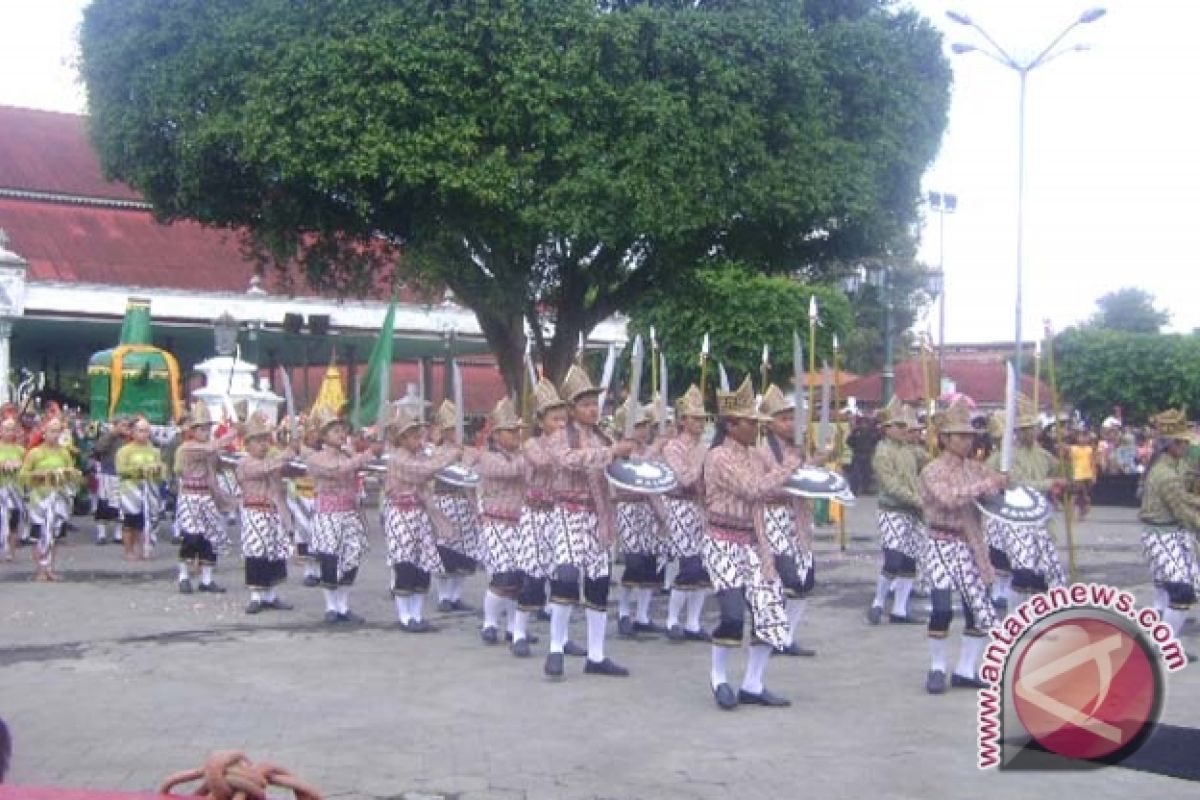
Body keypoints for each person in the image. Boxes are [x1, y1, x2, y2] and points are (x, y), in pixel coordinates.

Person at [703, 376, 799, 710]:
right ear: (731, 425)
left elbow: (776, 483)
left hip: (753, 540)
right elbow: (754, 488)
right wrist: (788, 469)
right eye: (749, 422)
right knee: (731, 614)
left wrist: (806, 470)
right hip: (722, 539)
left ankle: (753, 684)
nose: (755, 428)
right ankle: (719, 678)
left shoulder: (755, 454)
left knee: (769, 610)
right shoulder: (718, 457)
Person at [543, 364, 637, 679]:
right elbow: (568, 462)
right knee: (567, 578)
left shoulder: (603, 435)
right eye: (584, 404)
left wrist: (625, 459)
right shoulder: (559, 436)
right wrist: (610, 452)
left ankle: (596, 655)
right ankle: (556, 646)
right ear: (571, 408)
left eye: (593, 403)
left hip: (599, 516)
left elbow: (616, 471)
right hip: (569, 512)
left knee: (598, 584)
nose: (591, 409)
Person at [918, 395, 1008, 695]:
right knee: (941, 609)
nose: (967, 441)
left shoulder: (976, 468)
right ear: (944, 438)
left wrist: (1003, 484)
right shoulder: (932, 470)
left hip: (971, 543)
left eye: (970, 436)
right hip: (941, 541)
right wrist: (987, 484)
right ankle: (937, 666)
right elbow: (949, 498)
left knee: (977, 609)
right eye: (960, 436)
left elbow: (994, 496)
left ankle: (966, 669)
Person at [983, 395, 1066, 606]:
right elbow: (1016, 485)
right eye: (1024, 428)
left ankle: (1039, 617)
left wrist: (1066, 479)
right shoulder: (1004, 458)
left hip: (1042, 520)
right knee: (1021, 573)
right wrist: (1049, 483)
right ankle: (1014, 617)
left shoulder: (1046, 456)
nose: (1029, 432)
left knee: (1044, 574)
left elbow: (1060, 476)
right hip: (1016, 521)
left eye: (1032, 427)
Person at [382, 404, 458, 632]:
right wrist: (451, 455)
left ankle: (417, 614)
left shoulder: (421, 454)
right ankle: (405, 616)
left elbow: (431, 461)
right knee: (405, 564)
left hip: (420, 516)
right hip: (401, 515)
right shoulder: (398, 459)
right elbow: (422, 471)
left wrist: (453, 450)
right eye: (413, 436)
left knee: (423, 566)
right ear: (401, 438)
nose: (419, 439)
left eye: (419, 435)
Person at [757, 383, 819, 655]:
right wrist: (793, 468)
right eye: (784, 419)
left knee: (805, 580)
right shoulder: (760, 450)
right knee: (784, 578)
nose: (790, 423)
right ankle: (772, 631)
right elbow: (765, 485)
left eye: (793, 417)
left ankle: (788, 636)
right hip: (772, 515)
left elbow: (802, 478)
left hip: (797, 517)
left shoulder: (797, 448)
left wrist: (816, 462)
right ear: (769, 424)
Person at [303, 408, 381, 624]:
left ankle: (343, 605)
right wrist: (365, 456)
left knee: (352, 555)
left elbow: (365, 467)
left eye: (342, 430)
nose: (340, 434)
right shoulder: (316, 458)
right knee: (330, 557)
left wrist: (373, 454)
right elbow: (337, 470)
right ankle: (330, 605)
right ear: (324, 435)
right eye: (335, 430)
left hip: (349, 511)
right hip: (328, 513)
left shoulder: (349, 454)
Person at [511, 378, 570, 658]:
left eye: (563, 418)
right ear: (540, 420)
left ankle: (563, 637)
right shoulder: (532, 445)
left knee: (564, 578)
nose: (560, 423)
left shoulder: (569, 443)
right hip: (536, 515)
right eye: (555, 418)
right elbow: (547, 463)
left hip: (560, 515)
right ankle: (518, 631)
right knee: (533, 576)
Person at [1138, 408, 1199, 661]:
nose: (1186, 446)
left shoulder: (1169, 466)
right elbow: (1184, 511)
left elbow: (1186, 494)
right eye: (1183, 442)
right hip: (1164, 535)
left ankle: (1156, 638)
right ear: (1172, 444)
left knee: (1165, 591)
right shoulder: (1165, 474)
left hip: (1162, 534)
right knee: (1181, 591)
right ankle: (1165, 645)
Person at [867, 397, 927, 625]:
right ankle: (878, 602)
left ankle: (900, 610)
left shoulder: (910, 450)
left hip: (912, 511)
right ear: (886, 429)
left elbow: (928, 464)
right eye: (899, 426)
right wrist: (916, 499)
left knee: (909, 561)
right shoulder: (882, 453)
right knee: (893, 560)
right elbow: (891, 486)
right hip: (892, 510)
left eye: (905, 426)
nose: (904, 429)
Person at [661, 384, 713, 642]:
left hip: (701, 508)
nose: (700, 423)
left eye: (702, 419)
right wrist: (703, 464)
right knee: (687, 565)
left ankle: (693, 622)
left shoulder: (705, 448)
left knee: (703, 567)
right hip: (680, 506)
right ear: (683, 421)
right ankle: (672, 619)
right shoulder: (672, 447)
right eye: (695, 418)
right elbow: (684, 478)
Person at [474, 397, 529, 644]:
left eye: (518, 430)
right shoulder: (487, 457)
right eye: (510, 431)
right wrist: (533, 457)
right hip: (495, 523)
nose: (516, 435)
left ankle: (513, 628)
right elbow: (508, 471)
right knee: (503, 576)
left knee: (519, 578)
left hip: (519, 522)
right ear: (496, 435)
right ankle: (489, 623)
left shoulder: (522, 454)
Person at [613, 402, 668, 639]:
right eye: (638, 426)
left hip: (646, 508)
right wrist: (656, 448)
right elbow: (637, 466)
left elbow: (653, 483)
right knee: (633, 563)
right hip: (626, 507)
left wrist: (661, 515)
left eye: (645, 425)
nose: (643, 430)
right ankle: (624, 611)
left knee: (649, 563)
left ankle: (643, 615)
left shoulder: (649, 450)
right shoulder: (620, 450)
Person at [236, 415, 298, 614]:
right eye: (257, 441)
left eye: (265, 441)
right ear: (248, 445)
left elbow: (284, 470)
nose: (263, 445)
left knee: (274, 552)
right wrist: (286, 454)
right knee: (256, 552)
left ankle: (270, 595)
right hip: (254, 512)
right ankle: (255, 596)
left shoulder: (272, 461)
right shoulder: (245, 463)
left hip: (272, 512)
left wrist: (294, 455)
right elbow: (262, 469)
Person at [173, 403, 236, 593]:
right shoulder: (188, 448)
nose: (206, 432)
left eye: (208, 428)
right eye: (201, 428)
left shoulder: (210, 448)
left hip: (207, 496)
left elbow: (218, 464)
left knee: (210, 538)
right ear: (193, 430)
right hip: (190, 496)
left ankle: (206, 580)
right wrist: (233, 432)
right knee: (191, 537)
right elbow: (212, 448)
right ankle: (183, 575)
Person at [430, 400, 482, 613]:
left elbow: (474, 479)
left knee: (465, 550)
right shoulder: (436, 452)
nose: (455, 433)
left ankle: (456, 595)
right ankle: (443, 596)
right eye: (451, 429)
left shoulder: (469, 451)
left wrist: (476, 506)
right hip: (443, 501)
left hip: (464, 503)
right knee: (445, 549)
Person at [19, 415, 80, 582]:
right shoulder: (35, 453)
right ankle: (40, 568)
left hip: (58, 498)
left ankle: (50, 567)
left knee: (54, 534)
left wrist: (68, 475)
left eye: (58, 431)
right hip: (39, 499)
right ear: (44, 433)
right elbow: (23, 475)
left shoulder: (64, 453)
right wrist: (40, 475)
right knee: (39, 535)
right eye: (52, 431)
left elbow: (71, 473)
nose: (55, 434)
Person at [116, 417, 167, 562]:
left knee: (145, 522)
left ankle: (144, 549)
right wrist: (140, 470)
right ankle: (129, 550)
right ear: (132, 432)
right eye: (140, 431)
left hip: (149, 490)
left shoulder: (154, 451)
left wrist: (156, 471)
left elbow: (161, 470)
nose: (144, 434)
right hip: (130, 491)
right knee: (129, 523)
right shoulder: (124, 451)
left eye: (146, 431)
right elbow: (120, 470)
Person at [91, 416, 130, 545]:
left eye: (127, 425)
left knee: (120, 506)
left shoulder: (129, 439)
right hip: (107, 474)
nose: (126, 428)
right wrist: (112, 435)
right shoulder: (107, 436)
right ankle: (101, 534)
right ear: (115, 425)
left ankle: (118, 534)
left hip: (122, 475)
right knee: (103, 505)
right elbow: (98, 448)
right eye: (123, 425)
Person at [0, 416, 28, 560]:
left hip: (16, 489)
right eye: (6, 429)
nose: (9, 432)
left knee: (14, 521)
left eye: (12, 430)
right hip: (1, 489)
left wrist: (19, 466)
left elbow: (26, 468)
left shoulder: (20, 450)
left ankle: (11, 552)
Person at [1069, 429, 1096, 520]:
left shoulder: (1089, 449)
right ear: (1076, 438)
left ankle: (1082, 513)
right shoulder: (1073, 449)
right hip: (1077, 475)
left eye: (1085, 437)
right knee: (1075, 495)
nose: (1083, 439)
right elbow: (1069, 462)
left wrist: (1094, 475)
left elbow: (1092, 463)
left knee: (1085, 496)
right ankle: (1071, 513)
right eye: (1080, 437)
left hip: (1087, 474)